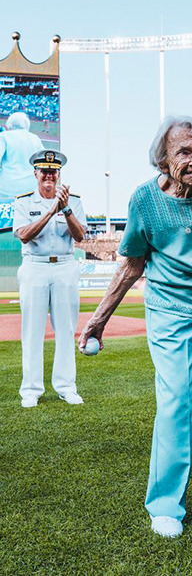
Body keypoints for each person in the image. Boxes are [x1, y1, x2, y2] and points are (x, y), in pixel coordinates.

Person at [80, 116, 192, 538]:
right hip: (172, 315)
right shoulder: (144, 201)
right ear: (163, 159)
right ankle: (165, 504)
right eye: (184, 152)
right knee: (175, 405)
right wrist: (98, 322)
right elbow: (132, 264)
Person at [13, 149, 86, 407]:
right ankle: (31, 389)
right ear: (35, 173)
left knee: (66, 329)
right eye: (44, 171)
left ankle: (66, 386)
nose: (49, 176)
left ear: (58, 174)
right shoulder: (23, 201)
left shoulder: (72, 201)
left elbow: (79, 236)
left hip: (65, 265)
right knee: (32, 330)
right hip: (35, 266)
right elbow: (24, 234)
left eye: (53, 171)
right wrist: (51, 210)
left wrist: (65, 209)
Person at [0, 112, 46, 198]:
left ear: (9, 124)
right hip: (31, 188)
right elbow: (44, 161)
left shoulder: (4, 136)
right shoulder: (35, 138)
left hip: (6, 189)